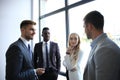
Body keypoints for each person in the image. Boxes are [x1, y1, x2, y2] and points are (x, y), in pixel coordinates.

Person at [83, 10, 120, 80]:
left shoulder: (105, 49)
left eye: (84, 27)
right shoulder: (99, 45)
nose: (84, 31)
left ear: (90, 26)